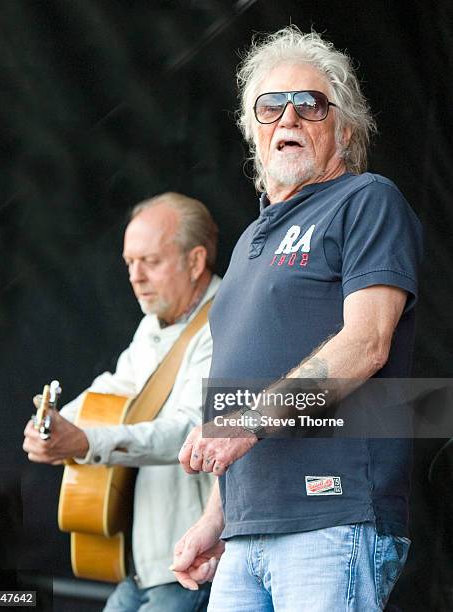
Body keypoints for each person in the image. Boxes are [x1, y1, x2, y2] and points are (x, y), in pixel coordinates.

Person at [171, 26, 422, 611]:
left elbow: (365, 345)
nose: (289, 117)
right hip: (246, 534)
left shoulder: (366, 199)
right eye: (271, 106)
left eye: (310, 105)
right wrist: (217, 516)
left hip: (332, 519)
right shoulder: (249, 241)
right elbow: (233, 395)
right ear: (253, 133)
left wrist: (246, 423)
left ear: (345, 128)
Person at [23, 192, 220, 612]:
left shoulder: (223, 323)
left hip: (190, 564)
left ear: (195, 261)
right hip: (142, 564)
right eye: (130, 263)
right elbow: (111, 390)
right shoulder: (154, 325)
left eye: (150, 261)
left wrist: (85, 443)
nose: (135, 276)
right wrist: (56, 426)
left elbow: (191, 431)